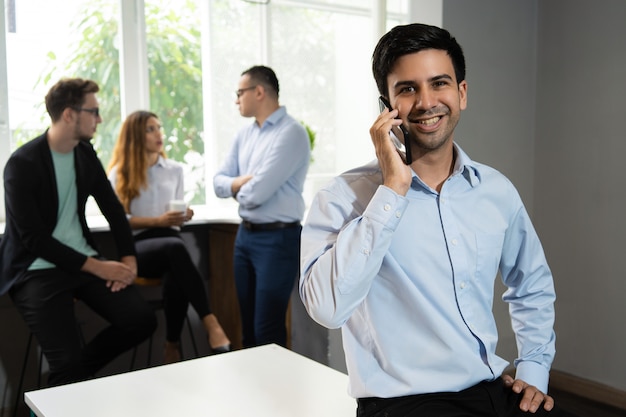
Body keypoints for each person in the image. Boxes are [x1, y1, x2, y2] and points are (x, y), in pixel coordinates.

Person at [299, 24, 577, 417]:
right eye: (408, 89)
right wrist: (392, 190)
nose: (427, 101)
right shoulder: (343, 197)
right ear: (387, 106)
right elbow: (326, 309)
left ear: (461, 93)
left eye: (439, 83)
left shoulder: (495, 191)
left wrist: (533, 368)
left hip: (492, 390)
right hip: (402, 405)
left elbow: (531, 283)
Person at [0, 78, 157, 386]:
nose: (99, 119)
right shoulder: (22, 164)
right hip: (36, 269)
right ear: (69, 114)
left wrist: (128, 259)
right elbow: (34, 239)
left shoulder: (84, 153)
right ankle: (67, 378)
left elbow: (113, 208)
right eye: (93, 111)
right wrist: (99, 266)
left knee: (141, 320)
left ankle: (65, 379)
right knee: (68, 362)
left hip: (82, 262)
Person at [107, 110, 231, 363]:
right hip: (138, 248)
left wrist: (183, 214)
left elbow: (174, 209)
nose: (158, 134)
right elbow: (120, 222)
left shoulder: (174, 170)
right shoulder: (119, 174)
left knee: (176, 270)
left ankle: (172, 346)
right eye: (150, 129)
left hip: (171, 242)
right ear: (135, 136)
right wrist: (157, 221)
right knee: (176, 250)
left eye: (159, 128)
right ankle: (210, 322)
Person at [213, 65, 310, 348]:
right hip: (245, 237)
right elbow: (218, 182)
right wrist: (238, 184)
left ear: (259, 92)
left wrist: (235, 187)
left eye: (239, 92)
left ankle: (275, 392)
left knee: (267, 328)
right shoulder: (244, 135)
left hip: (278, 240)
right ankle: (251, 391)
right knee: (247, 326)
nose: (236, 99)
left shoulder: (291, 133)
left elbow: (256, 194)